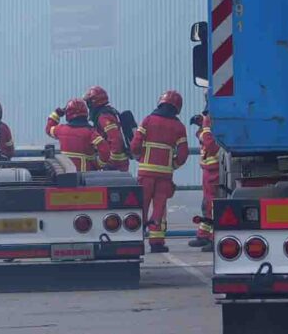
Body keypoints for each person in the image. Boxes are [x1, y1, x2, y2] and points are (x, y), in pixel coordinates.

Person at [130, 90, 190, 254]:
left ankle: (134, 240)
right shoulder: (179, 127)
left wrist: (138, 157)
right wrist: (172, 166)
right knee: (159, 208)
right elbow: (183, 154)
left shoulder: (148, 121)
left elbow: (135, 145)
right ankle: (156, 243)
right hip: (164, 175)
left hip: (145, 173)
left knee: (140, 206)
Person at [189, 108, 232, 250]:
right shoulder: (210, 116)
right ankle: (204, 235)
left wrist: (203, 129)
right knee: (207, 204)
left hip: (215, 169)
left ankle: (215, 239)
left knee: (214, 204)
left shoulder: (211, 117)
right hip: (209, 168)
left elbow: (211, 145)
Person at [51, 99, 103, 173]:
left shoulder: (61, 129)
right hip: (87, 176)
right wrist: (99, 164)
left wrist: (56, 114)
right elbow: (104, 149)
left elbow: (48, 128)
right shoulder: (91, 132)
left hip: (67, 174)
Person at [93, 99, 130, 172]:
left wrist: (109, 160)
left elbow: (115, 139)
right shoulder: (111, 112)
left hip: (115, 163)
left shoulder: (104, 117)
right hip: (121, 161)